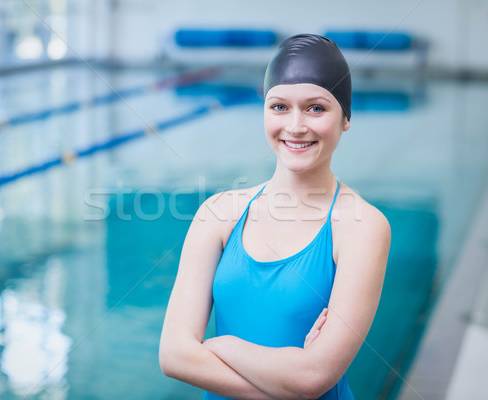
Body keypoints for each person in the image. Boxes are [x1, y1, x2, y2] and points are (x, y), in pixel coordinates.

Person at [159, 33, 390, 400]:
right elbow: (173, 355)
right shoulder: (219, 214)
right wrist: (289, 381)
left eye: (316, 108)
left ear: (345, 117)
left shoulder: (362, 226)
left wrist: (219, 345)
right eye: (279, 106)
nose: (295, 126)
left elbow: (314, 377)